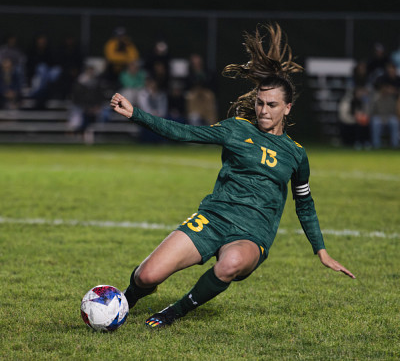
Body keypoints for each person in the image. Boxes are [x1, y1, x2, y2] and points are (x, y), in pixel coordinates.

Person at [110, 24, 355, 329]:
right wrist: (137, 114)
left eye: (272, 105)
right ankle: (125, 301)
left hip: (253, 233)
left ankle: (175, 311)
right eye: (260, 103)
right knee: (147, 275)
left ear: (288, 108)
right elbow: (186, 132)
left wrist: (321, 250)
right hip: (214, 217)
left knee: (232, 263)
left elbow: (304, 203)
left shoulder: (296, 154)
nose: (264, 110)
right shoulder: (238, 129)